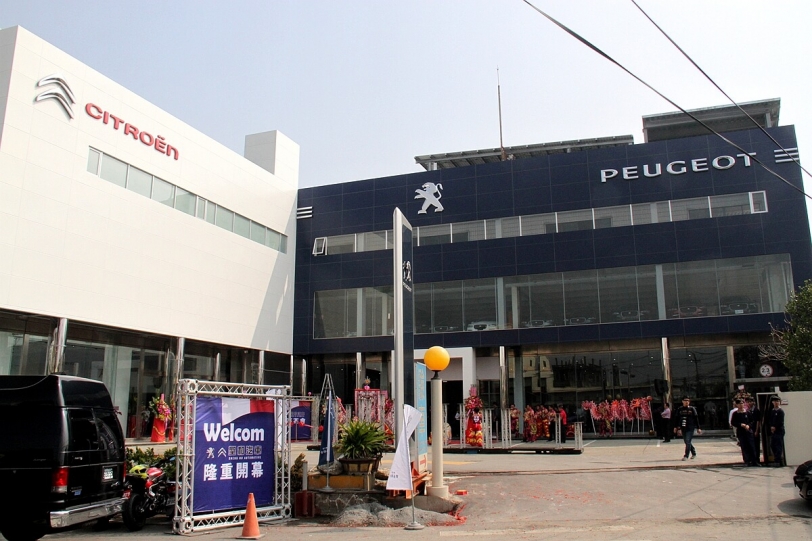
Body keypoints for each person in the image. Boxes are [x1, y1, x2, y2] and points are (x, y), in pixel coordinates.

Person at [730, 399, 759, 466]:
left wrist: (749, 425)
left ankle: (754, 461)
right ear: (737, 405)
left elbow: (752, 421)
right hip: (741, 432)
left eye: (742, 403)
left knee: (752, 446)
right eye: (739, 404)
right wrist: (740, 424)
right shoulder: (735, 414)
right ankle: (747, 461)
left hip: (748, 431)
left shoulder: (748, 412)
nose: (741, 405)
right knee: (744, 447)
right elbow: (733, 422)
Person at [673, 396, 702, 460]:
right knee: (686, 441)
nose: (686, 402)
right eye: (685, 401)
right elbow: (677, 419)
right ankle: (694, 453)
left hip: (690, 427)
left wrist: (698, 428)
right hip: (683, 427)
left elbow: (696, 419)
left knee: (688, 440)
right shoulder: (680, 409)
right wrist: (676, 427)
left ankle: (686, 456)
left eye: (688, 401)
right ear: (682, 401)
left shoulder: (692, 409)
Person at [766, 396, 785, 466]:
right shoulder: (772, 411)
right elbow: (769, 420)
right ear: (772, 402)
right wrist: (771, 427)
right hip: (773, 431)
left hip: (779, 430)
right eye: (775, 401)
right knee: (772, 445)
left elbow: (780, 422)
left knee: (778, 446)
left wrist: (775, 427)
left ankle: (778, 461)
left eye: (777, 401)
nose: (776, 403)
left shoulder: (781, 411)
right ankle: (777, 459)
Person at [746, 397, 762, 464]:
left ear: (754, 402)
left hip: (755, 429)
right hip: (749, 430)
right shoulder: (747, 411)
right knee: (750, 445)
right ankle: (752, 459)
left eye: (751, 401)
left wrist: (757, 431)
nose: (749, 403)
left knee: (756, 445)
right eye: (748, 402)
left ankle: (757, 459)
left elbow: (758, 421)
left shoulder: (756, 410)